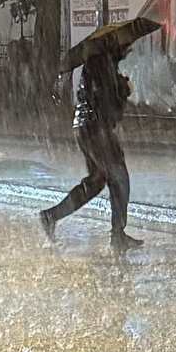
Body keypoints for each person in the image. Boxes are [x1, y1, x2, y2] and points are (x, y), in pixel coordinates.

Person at [39, 43, 143, 251]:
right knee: (119, 178)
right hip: (96, 128)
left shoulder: (100, 63)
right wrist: (123, 89)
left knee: (97, 181)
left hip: (87, 126)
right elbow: (106, 103)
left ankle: (52, 216)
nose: (128, 49)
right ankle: (118, 235)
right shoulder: (102, 63)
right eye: (126, 46)